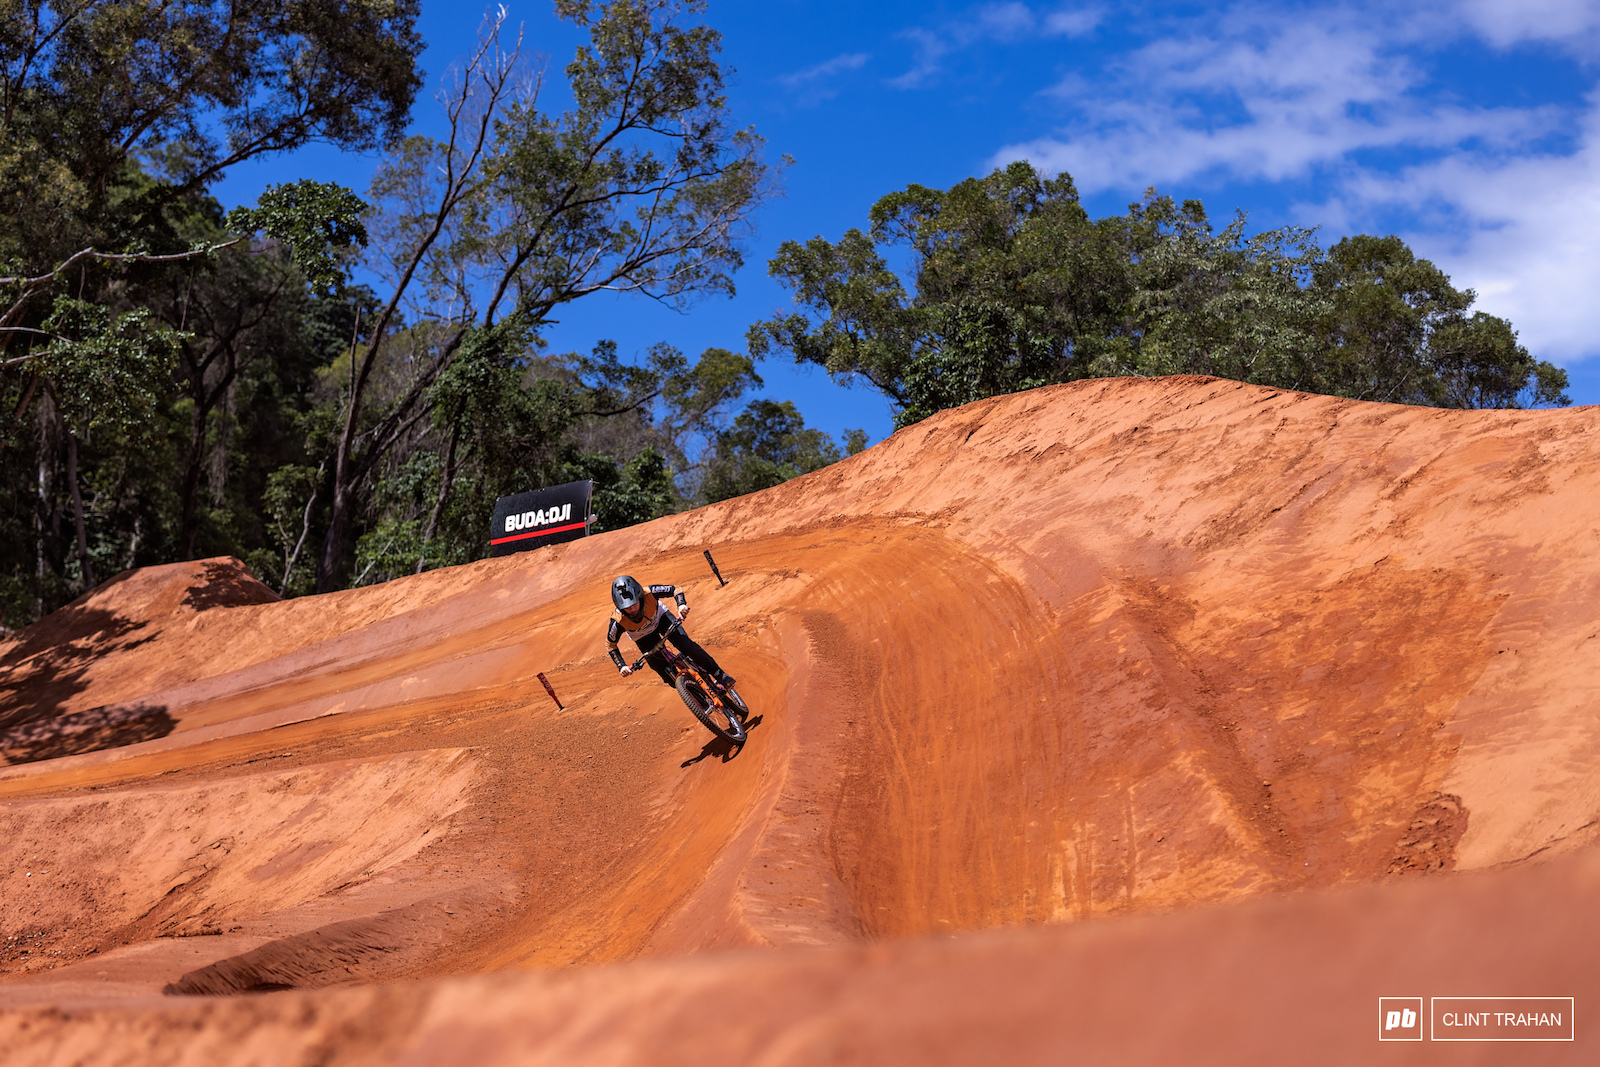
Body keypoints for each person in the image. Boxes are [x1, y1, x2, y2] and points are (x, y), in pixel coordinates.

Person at [605, 574, 736, 689]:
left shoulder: (649, 592)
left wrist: (681, 605)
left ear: (640, 596)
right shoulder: (617, 621)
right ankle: (696, 697)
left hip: (662, 619)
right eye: (627, 608)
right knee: (662, 670)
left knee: (686, 645)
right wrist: (621, 666)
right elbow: (611, 644)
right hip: (643, 638)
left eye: (634, 604)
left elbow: (675, 589)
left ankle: (719, 674)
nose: (632, 609)